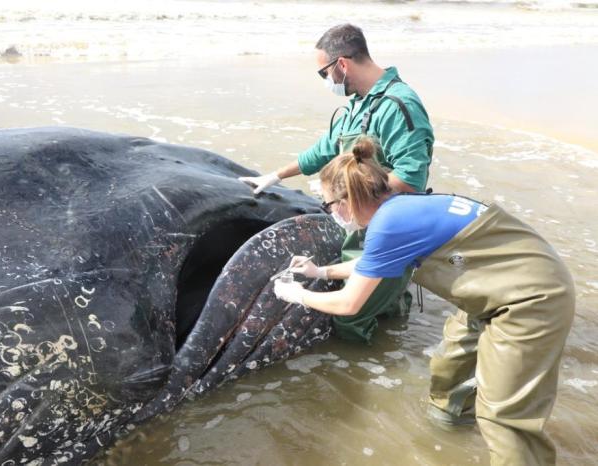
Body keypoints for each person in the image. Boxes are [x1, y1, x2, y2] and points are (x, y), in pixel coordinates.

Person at [273, 139, 575, 466]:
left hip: (531, 298)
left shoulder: (389, 224)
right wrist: (321, 271)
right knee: (449, 367)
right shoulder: (400, 208)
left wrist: (298, 295)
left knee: (505, 416)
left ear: (348, 199)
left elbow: (349, 304)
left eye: (328, 204)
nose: (330, 212)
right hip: (501, 281)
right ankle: (447, 436)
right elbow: (373, 264)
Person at [240, 23, 435, 343]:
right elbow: (321, 152)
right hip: (358, 223)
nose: (326, 81)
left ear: (341, 64)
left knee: (351, 318)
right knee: (376, 300)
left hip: (387, 227)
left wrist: (348, 191)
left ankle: (375, 371)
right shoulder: (355, 106)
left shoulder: (399, 105)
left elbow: (411, 180)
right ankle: (394, 321)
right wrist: (274, 176)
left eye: (323, 74)